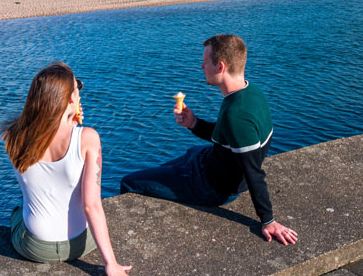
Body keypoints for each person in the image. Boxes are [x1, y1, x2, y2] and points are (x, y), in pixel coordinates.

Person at [121, 34, 298, 245]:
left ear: (220, 67)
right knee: (177, 161)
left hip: (211, 187)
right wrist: (194, 123)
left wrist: (268, 220)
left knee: (130, 182)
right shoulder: (251, 92)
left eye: (205, 63)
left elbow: (253, 172)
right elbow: (228, 138)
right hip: (207, 160)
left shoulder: (237, 115)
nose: (201, 67)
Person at [2, 62, 140, 276]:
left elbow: (41, 149)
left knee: (18, 212)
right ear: (68, 99)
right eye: (77, 89)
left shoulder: (12, 134)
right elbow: (91, 205)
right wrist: (111, 264)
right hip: (80, 244)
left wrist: (68, 121)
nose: (79, 94)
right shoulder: (87, 138)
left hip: (34, 246)